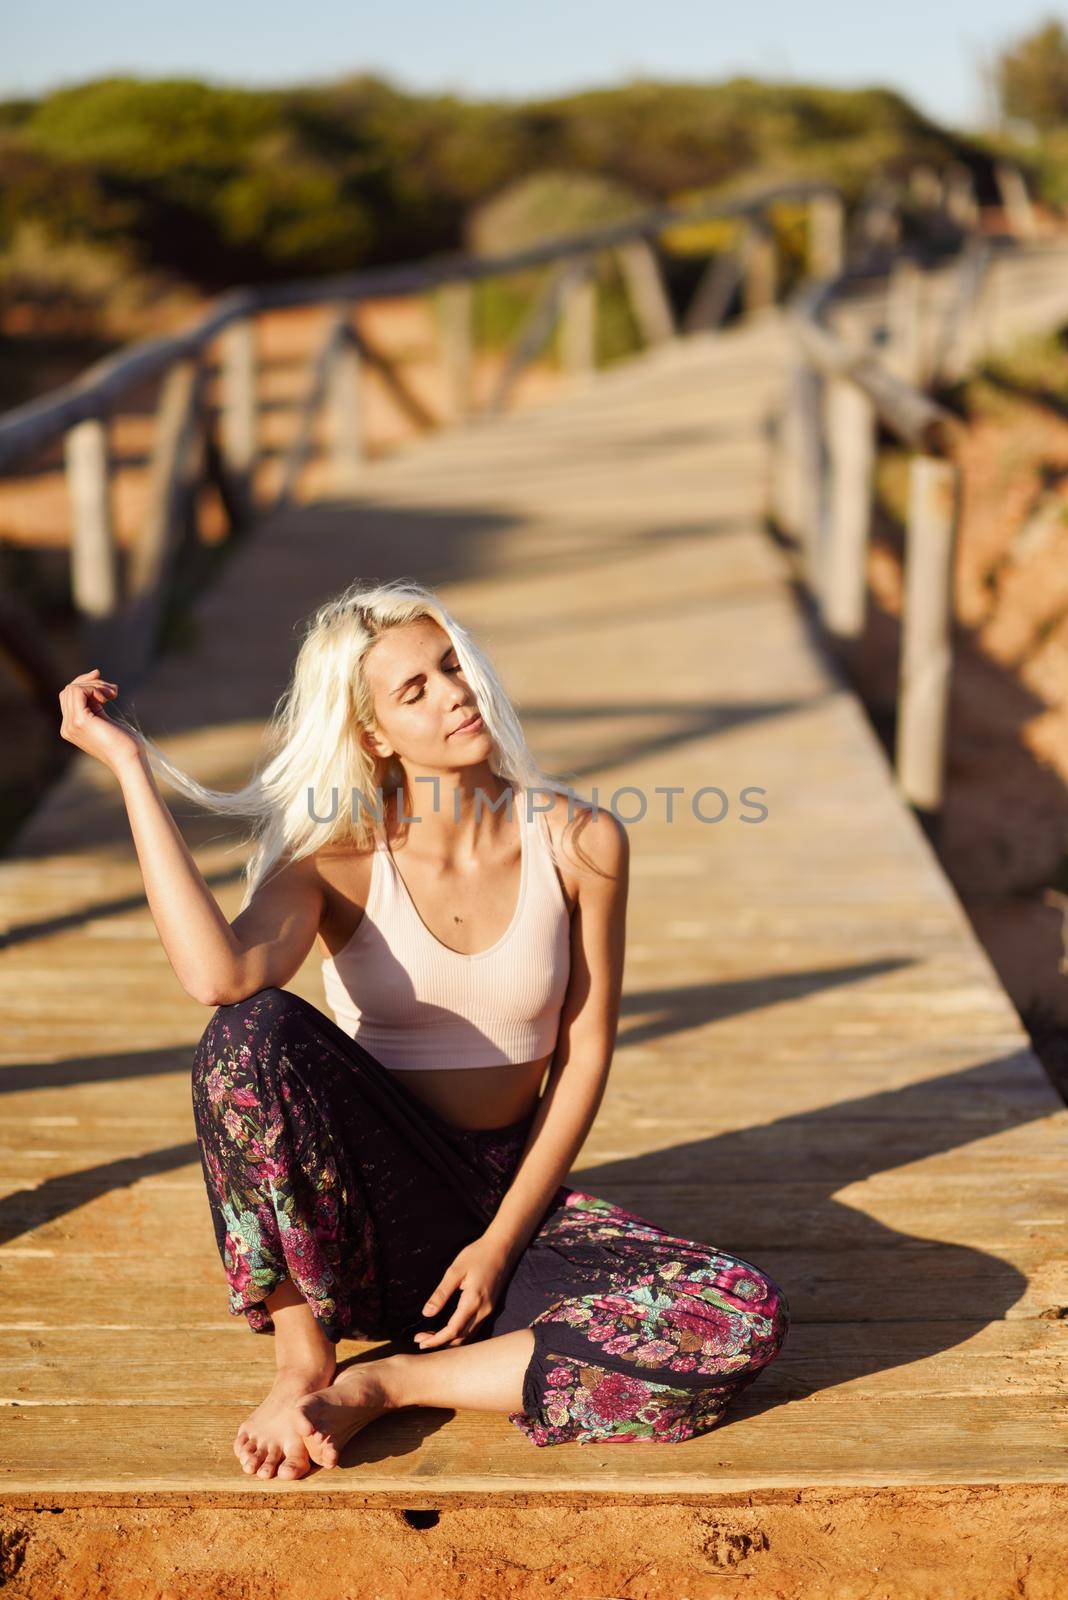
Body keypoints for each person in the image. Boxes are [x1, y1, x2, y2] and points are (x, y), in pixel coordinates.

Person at [57, 576, 790, 1481]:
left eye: (454, 666)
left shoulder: (579, 839)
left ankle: (392, 1384)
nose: (455, 693)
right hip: (362, 1214)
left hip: (506, 1197)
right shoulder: (334, 856)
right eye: (416, 690)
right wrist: (133, 771)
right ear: (371, 733)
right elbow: (218, 977)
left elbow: (586, 1050)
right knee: (248, 1033)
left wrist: (499, 1244)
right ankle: (304, 1359)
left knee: (735, 1314)